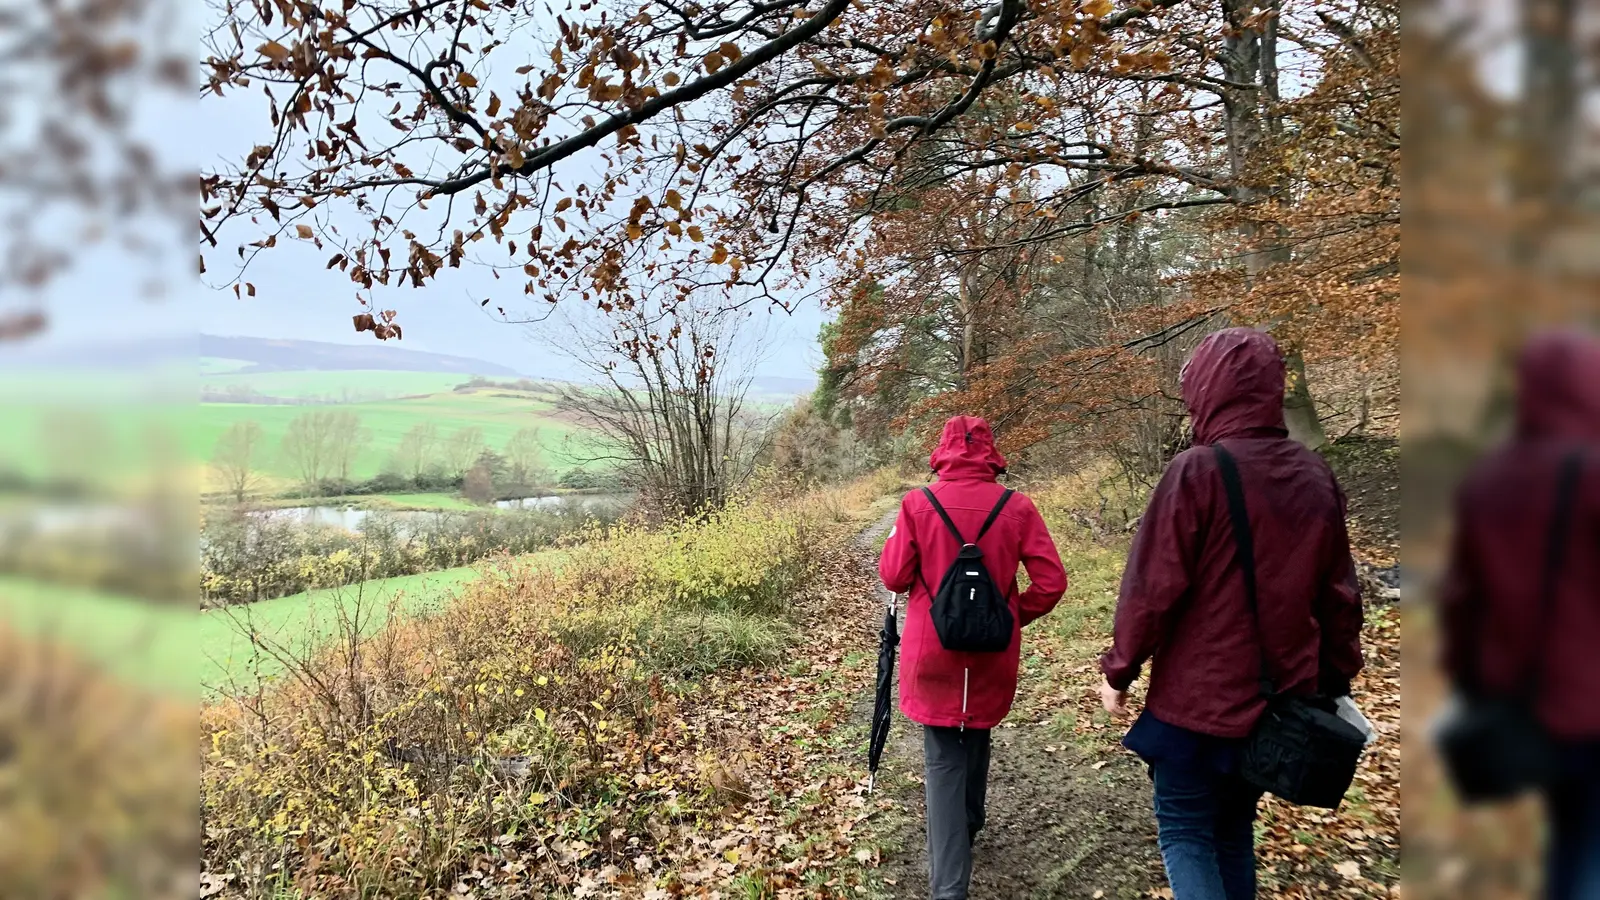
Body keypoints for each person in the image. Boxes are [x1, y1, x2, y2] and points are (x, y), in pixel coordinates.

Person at [1099, 327, 1365, 900]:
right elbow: (1340, 598)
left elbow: (1151, 590)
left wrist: (1119, 670)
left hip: (1196, 705)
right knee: (1233, 830)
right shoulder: (1316, 476)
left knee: (1186, 830)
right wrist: (1337, 680)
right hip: (1278, 705)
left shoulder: (1196, 472)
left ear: (1207, 390)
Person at [1439, 329, 1600, 900]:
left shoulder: (1490, 480)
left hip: (1525, 703)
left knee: (1572, 835)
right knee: (1587, 842)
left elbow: (1462, 603)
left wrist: (1469, 682)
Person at [879, 414, 1067, 900]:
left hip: (931, 652)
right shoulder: (1018, 508)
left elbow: (895, 577)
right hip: (992, 653)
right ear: (990, 453)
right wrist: (1008, 618)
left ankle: (949, 887)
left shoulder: (917, 504)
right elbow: (1051, 583)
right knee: (977, 729)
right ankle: (970, 823)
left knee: (943, 758)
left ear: (943, 450)